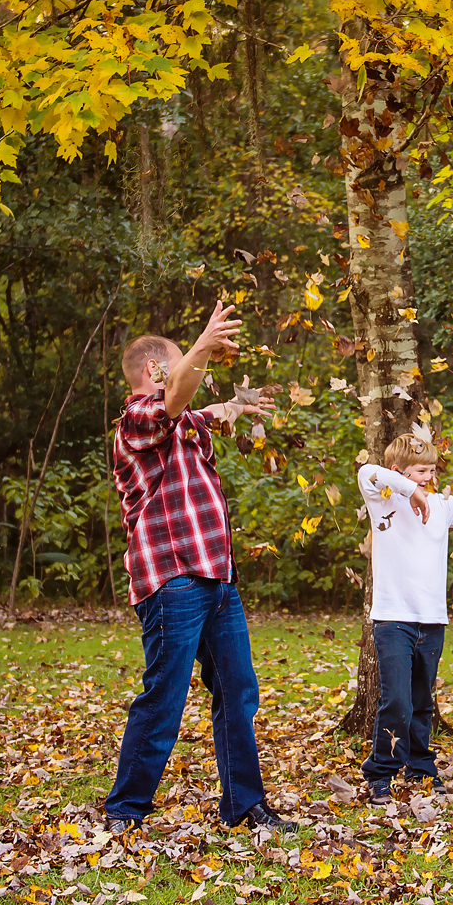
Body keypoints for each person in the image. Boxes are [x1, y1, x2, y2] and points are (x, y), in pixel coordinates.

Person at [102, 302, 293, 834]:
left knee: (238, 691)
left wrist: (237, 404)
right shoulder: (135, 421)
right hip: (172, 580)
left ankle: (244, 805)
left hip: (216, 577)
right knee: (165, 694)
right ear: (151, 373)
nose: (191, 369)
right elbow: (176, 400)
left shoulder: (185, 419)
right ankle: (125, 810)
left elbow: (206, 410)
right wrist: (204, 343)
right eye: (180, 362)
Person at [356, 434, 453, 805]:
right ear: (399, 472)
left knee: (422, 701)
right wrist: (411, 491)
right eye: (420, 471)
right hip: (393, 619)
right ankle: (380, 772)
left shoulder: (440, 505)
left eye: (431, 471)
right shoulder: (382, 499)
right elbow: (367, 472)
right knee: (397, 702)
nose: (428, 477)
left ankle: (421, 767)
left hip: (432, 621)